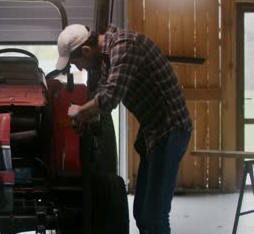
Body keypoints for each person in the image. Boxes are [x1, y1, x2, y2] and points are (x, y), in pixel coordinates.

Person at [55, 24, 193, 234]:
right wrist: (85, 118)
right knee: (141, 214)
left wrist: (80, 111)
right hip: (152, 132)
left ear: (86, 50)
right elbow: (101, 96)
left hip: (171, 129)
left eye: (77, 63)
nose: (80, 69)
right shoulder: (105, 60)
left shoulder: (125, 46)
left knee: (155, 216)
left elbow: (109, 98)